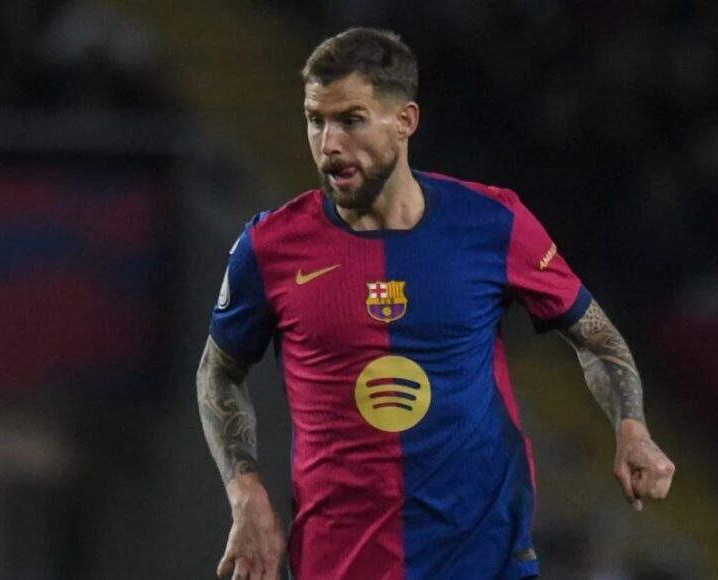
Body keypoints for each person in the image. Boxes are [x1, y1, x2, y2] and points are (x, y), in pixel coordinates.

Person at [197, 27, 675, 580]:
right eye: (315, 120)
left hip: (485, 559)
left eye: (351, 120)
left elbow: (594, 336)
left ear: (405, 121)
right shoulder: (270, 247)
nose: (328, 144)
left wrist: (632, 428)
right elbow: (218, 372)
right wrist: (245, 492)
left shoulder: (492, 223)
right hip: (338, 563)